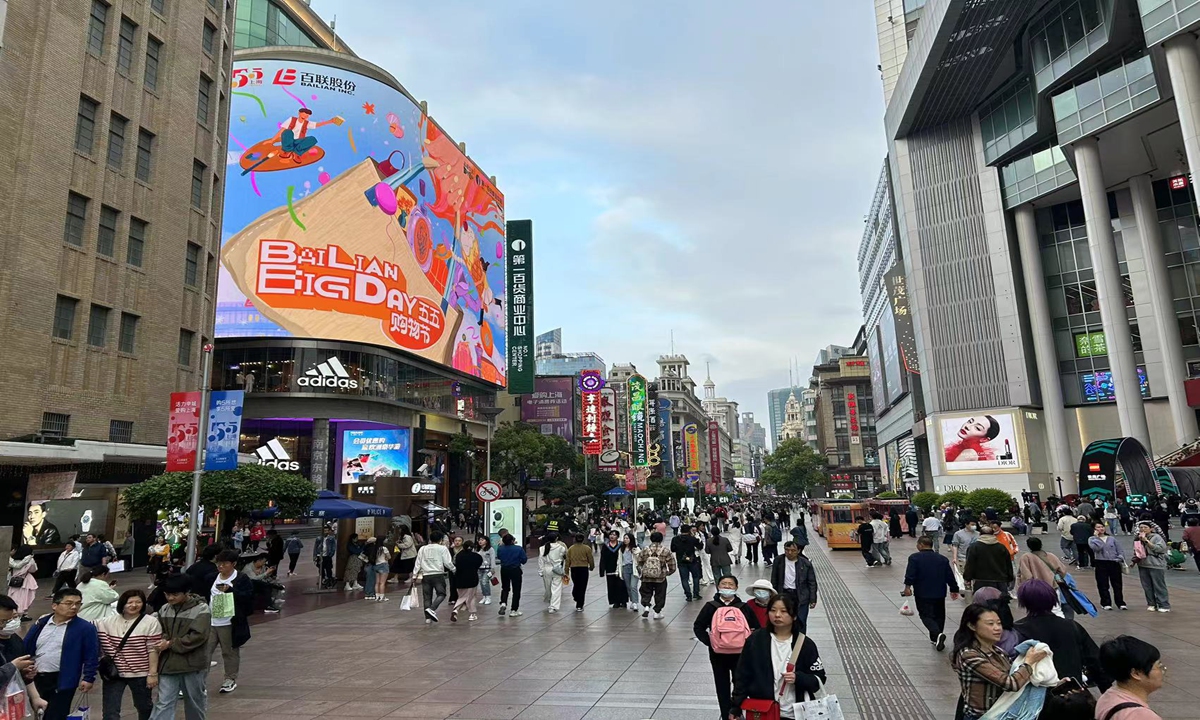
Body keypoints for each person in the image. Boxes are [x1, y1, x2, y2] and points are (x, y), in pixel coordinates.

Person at [730, 593, 826, 720]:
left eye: (784, 611)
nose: (777, 615)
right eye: (773, 610)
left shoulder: (805, 644)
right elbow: (742, 675)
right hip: (762, 710)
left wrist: (798, 678)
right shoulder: (756, 640)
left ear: (795, 615)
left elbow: (819, 679)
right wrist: (736, 707)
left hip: (795, 713)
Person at [1011, 579, 1109, 695]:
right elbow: (1095, 661)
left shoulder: (1018, 629)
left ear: (1024, 602)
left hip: (1037, 695)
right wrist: (1106, 691)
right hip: (1072, 692)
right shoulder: (1072, 626)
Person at [951, 604, 1048, 720]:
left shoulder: (998, 651)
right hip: (981, 716)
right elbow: (1011, 683)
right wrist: (1029, 662)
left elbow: (1018, 677)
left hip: (1002, 715)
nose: (997, 628)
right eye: (990, 624)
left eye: (999, 623)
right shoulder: (969, 655)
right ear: (972, 626)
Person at [25, 588, 101, 720]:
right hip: (37, 677)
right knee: (40, 714)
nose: (74, 607)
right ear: (55, 605)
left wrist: (89, 677)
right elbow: (27, 646)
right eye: (69, 603)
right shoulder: (41, 623)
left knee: (56, 715)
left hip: (63, 679)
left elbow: (91, 655)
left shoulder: (85, 628)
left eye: (78, 603)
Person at [693, 575, 760, 720]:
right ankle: (725, 714)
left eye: (731, 584)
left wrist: (749, 646)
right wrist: (710, 642)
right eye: (724, 584)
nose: (727, 587)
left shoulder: (744, 607)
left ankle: (736, 712)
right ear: (718, 586)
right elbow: (698, 627)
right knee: (721, 685)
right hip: (718, 655)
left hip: (740, 655)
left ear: (736, 587)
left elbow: (756, 628)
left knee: (740, 684)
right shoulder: (710, 606)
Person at [149, 573, 211, 720]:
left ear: (187, 592)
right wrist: (163, 640)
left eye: (175, 594)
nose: (170, 598)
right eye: (167, 594)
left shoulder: (201, 609)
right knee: (164, 702)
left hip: (192, 665)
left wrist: (170, 643)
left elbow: (199, 636)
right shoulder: (165, 609)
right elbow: (158, 630)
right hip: (168, 664)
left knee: (195, 702)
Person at [97, 590, 162, 720]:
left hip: (140, 673)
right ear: (122, 604)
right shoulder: (106, 622)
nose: (134, 605)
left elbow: (153, 650)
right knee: (110, 711)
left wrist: (152, 674)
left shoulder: (151, 622)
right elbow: (86, 626)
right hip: (114, 673)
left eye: (138, 602)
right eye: (130, 602)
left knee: (144, 707)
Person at [204, 549, 253, 694]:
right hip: (211, 621)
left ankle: (230, 679)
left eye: (224, 564)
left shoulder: (241, 579)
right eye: (219, 563)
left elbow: (248, 598)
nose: (221, 566)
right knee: (204, 652)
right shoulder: (211, 578)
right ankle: (198, 681)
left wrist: (231, 591)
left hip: (230, 622)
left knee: (229, 652)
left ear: (233, 564)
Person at [902, 535, 960, 651]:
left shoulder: (914, 558)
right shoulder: (942, 559)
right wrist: (954, 589)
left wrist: (907, 587)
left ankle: (937, 634)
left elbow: (910, 574)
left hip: (922, 592)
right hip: (939, 592)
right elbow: (949, 575)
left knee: (925, 615)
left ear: (921, 545)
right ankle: (935, 638)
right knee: (939, 615)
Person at [1095, 636, 1166, 720]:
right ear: (1136, 673)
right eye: (1159, 666)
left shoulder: (1108, 696)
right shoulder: (1140, 715)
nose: (1163, 670)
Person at [0, 594, 48, 716]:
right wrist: (13, 666)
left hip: (10, 705)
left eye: (9, 620)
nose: (4, 625)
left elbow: (22, 674)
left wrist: (35, 696)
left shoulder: (16, 640)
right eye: (2, 621)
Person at [769, 541, 818, 632]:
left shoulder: (805, 563)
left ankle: (800, 640)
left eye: (793, 550)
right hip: (784, 593)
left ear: (798, 551)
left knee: (801, 620)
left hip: (801, 595)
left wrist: (813, 599)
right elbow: (774, 579)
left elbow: (811, 582)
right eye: (787, 550)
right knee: (784, 618)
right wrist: (773, 595)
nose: (790, 553)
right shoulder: (778, 561)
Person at [415, 530, 455, 623]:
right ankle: (432, 609)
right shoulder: (442, 548)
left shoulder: (422, 548)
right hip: (438, 574)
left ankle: (428, 618)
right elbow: (448, 562)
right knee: (441, 594)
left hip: (426, 575)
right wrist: (453, 569)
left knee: (427, 596)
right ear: (441, 539)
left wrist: (414, 574)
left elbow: (418, 562)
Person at [963, 521, 1013, 595]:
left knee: (982, 603)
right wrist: (1009, 578)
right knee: (1000, 603)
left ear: (980, 534)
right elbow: (1008, 564)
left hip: (981, 581)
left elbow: (970, 564)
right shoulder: (1001, 547)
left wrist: (967, 577)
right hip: (1000, 581)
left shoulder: (974, 547)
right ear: (993, 534)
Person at [635, 531, 676, 620]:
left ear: (651, 539)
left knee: (645, 592)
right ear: (661, 539)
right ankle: (657, 612)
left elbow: (638, 562)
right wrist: (667, 573)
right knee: (660, 594)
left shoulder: (645, 549)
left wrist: (642, 571)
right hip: (660, 577)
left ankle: (646, 605)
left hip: (646, 577)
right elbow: (672, 565)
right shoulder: (665, 550)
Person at [1088, 521, 1127, 610]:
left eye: (1102, 527)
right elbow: (1097, 548)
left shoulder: (1111, 538)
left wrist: (1119, 558)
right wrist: (1097, 538)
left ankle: (1120, 602)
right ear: (1094, 529)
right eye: (1098, 527)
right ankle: (1106, 602)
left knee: (1117, 584)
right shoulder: (1091, 539)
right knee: (1103, 584)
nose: (1101, 529)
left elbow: (1120, 550)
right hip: (1101, 562)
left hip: (1114, 562)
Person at [1133, 521, 1170, 612]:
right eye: (1141, 527)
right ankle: (1151, 603)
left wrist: (1146, 541)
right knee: (1147, 586)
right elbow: (1137, 551)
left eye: (1145, 527)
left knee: (1159, 585)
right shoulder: (1138, 538)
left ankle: (1164, 605)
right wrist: (1134, 561)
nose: (1143, 529)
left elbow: (1160, 549)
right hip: (1143, 564)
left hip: (1155, 564)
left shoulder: (1157, 537)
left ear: (1151, 529)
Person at [496, 532, 527, 617]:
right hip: (515, 569)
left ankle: (503, 602)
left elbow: (498, 557)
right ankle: (514, 609)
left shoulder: (500, 548)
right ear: (513, 540)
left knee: (505, 587)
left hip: (504, 569)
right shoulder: (518, 549)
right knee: (516, 590)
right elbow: (524, 560)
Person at [451, 539, 482, 622]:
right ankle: (472, 614)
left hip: (459, 579)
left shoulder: (458, 556)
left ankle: (456, 610)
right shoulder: (476, 556)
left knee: (462, 596)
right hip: (472, 579)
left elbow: (455, 564)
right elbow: (478, 565)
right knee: (471, 597)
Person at [670, 525, 703, 602]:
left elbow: (673, 549)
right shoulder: (692, 539)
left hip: (681, 561)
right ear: (689, 530)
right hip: (692, 560)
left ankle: (688, 595)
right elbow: (700, 547)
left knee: (684, 579)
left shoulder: (675, 539)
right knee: (695, 577)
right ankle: (696, 593)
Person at [539, 532, 568, 614]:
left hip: (546, 569)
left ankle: (549, 600)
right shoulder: (561, 548)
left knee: (548, 588)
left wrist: (541, 571)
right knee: (556, 588)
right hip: (557, 569)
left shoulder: (542, 548)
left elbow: (540, 560)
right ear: (556, 539)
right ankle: (553, 606)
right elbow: (564, 558)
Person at [565, 533, 594, 612]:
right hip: (583, 568)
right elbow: (590, 559)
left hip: (574, 568)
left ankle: (575, 595)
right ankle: (580, 605)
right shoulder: (587, 548)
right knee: (582, 586)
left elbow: (568, 560)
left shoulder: (571, 548)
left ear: (575, 539)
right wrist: (591, 567)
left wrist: (566, 570)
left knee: (576, 584)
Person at [600, 531, 628, 609]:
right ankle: (615, 601)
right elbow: (603, 558)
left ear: (617, 537)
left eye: (614, 535)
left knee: (621, 585)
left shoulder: (621, 545)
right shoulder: (606, 546)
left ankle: (623, 601)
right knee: (611, 586)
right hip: (609, 568)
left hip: (620, 568)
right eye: (611, 534)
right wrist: (602, 569)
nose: (612, 536)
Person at [7, 546, 37, 619]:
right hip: (26, 581)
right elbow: (33, 569)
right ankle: (23, 614)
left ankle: (14, 612)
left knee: (14, 596)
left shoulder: (13, 559)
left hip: (14, 581)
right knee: (25, 597)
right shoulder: (30, 560)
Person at [369, 537, 391, 602]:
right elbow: (389, 557)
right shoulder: (384, 548)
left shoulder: (375, 548)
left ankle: (377, 596)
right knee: (382, 583)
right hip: (383, 565)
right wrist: (386, 558)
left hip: (376, 565)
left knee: (377, 582)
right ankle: (382, 596)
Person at [476, 535, 495, 605]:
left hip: (487, 569)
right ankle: (484, 596)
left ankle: (488, 597)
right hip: (479, 569)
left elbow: (493, 559)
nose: (480, 541)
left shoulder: (490, 549)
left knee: (485, 582)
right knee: (481, 583)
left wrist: (492, 568)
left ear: (486, 541)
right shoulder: (478, 549)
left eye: (482, 540)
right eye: (479, 540)